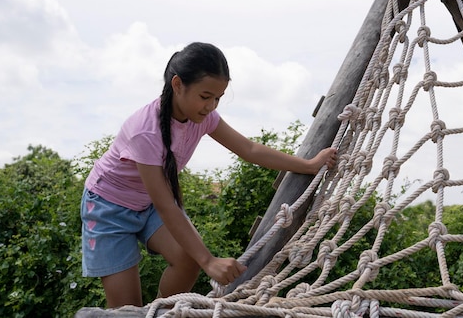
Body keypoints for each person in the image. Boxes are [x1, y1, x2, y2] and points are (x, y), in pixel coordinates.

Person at [81, 42, 338, 308]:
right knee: (126, 310)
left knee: (187, 258)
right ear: (178, 84)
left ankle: (159, 312)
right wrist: (209, 261)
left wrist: (307, 165)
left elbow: (249, 149)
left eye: (218, 98)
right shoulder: (145, 131)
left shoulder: (204, 118)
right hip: (108, 208)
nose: (211, 105)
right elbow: (166, 205)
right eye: (205, 96)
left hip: (146, 204)